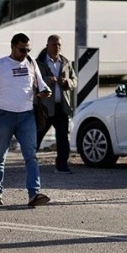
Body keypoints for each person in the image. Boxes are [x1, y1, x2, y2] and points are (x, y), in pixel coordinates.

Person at [0, 33, 52, 208]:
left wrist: (45, 91)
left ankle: (34, 193)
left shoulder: (31, 63)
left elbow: (41, 84)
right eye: (22, 50)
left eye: (28, 50)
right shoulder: (0, 64)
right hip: (5, 116)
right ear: (12, 47)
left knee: (31, 156)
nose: (25, 53)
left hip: (27, 116)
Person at [35, 34, 78, 174]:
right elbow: (33, 81)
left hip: (62, 106)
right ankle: (30, 161)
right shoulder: (38, 63)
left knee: (62, 138)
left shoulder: (65, 62)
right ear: (47, 46)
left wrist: (67, 82)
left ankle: (62, 164)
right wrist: (48, 81)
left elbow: (74, 80)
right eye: (54, 45)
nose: (57, 47)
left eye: (59, 45)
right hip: (45, 107)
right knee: (37, 135)